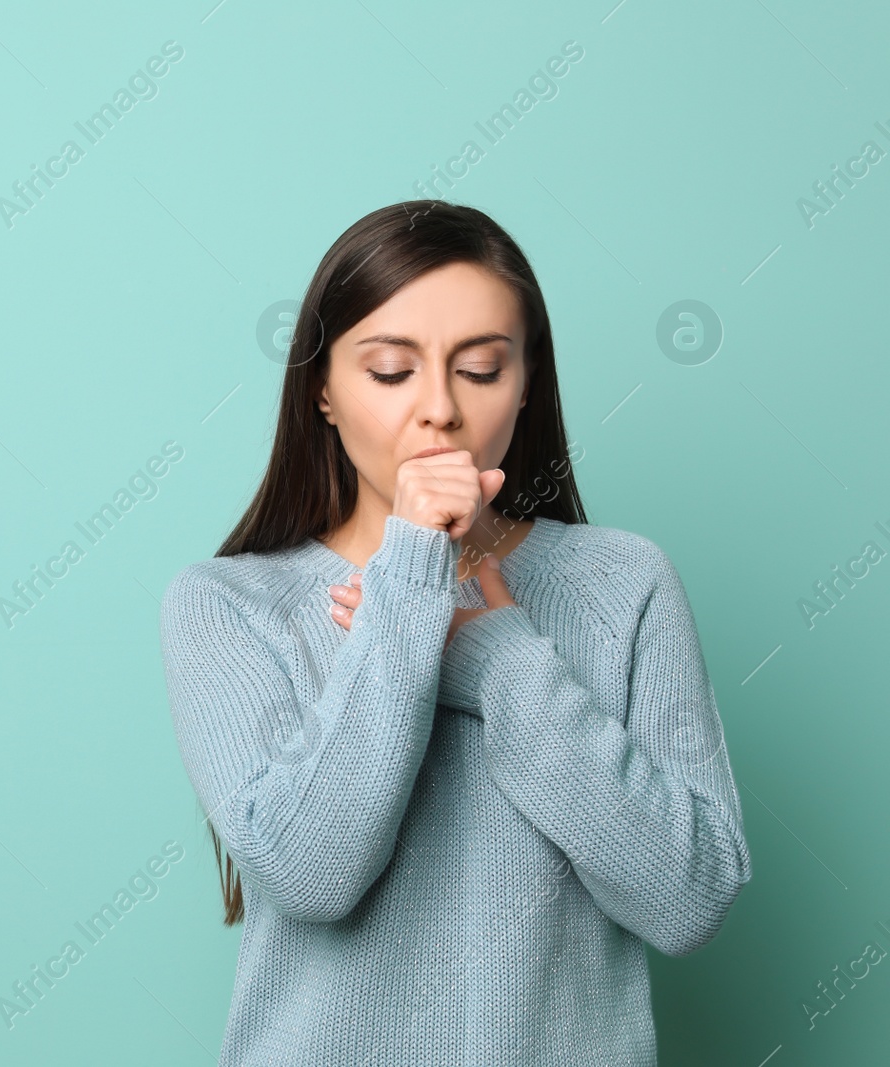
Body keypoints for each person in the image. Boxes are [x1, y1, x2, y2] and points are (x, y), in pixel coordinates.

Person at [158, 201, 751, 1066]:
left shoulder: (625, 583)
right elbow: (313, 874)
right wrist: (409, 584)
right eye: (392, 370)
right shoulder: (226, 605)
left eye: (478, 368)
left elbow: (690, 897)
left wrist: (499, 654)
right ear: (323, 389)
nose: (438, 408)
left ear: (525, 381)